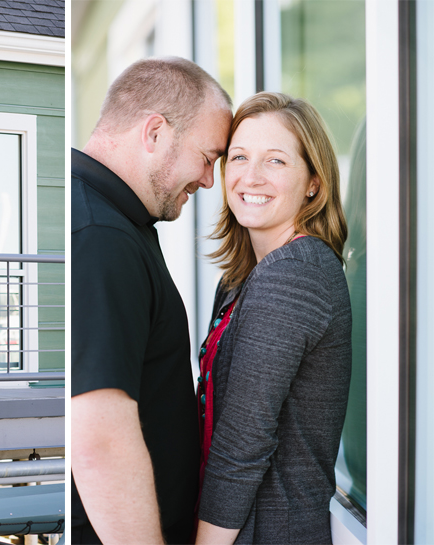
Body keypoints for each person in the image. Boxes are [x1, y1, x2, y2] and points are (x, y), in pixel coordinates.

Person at [71, 56, 232, 545]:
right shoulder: (100, 236)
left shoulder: (119, 222)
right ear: (155, 132)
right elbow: (100, 437)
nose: (209, 181)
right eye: (208, 157)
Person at [195, 92, 351, 545]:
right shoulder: (245, 275)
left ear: (313, 183)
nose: (251, 176)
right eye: (239, 157)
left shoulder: (294, 275)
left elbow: (242, 444)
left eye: (276, 161)